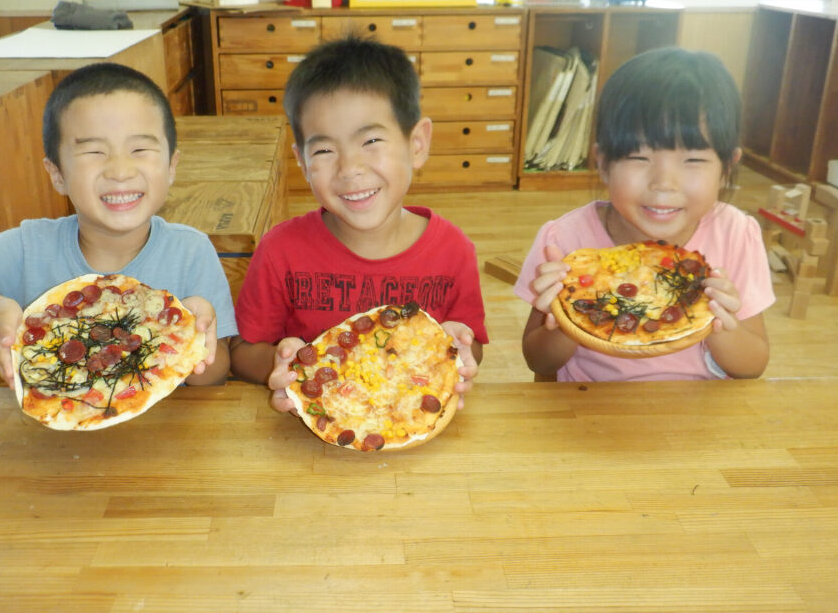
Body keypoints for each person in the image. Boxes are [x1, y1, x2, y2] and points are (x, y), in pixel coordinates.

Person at [0, 62, 235, 387]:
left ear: (171, 166)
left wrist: (194, 333)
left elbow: (217, 375)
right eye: (94, 151)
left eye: (140, 150)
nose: (120, 170)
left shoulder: (191, 250)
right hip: (49, 446)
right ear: (57, 174)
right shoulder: (29, 247)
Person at [230, 35, 487, 410]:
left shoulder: (454, 250)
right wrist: (279, 363)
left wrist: (459, 347)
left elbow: (473, 346)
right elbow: (242, 351)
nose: (350, 169)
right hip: (310, 434)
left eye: (370, 141)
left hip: (411, 422)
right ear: (301, 163)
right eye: (324, 150)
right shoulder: (279, 250)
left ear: (417, 144)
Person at [516, 47, 773, 382]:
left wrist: (718, 322)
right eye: (638, 157)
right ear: (604, 163)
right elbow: (538, 362)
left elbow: (753, 366)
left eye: (693, 160)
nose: (664, 184)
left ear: (727, 169)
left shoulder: (737, 234)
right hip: (589, 413)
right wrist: (569, 316)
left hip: (699, 418)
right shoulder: (563, 242)